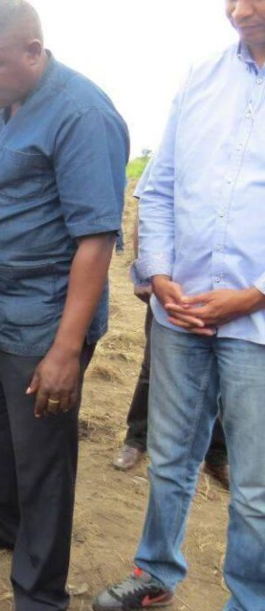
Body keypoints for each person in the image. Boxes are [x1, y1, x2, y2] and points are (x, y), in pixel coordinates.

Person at [0, 2, 129, 611]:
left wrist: (67, 350)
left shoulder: (82, 113)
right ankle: (6, 522)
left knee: (44, 458)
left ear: (33, 48)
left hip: (47, 320)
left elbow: (96, 239)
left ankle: (42, 598)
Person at [93, 2, 265, 611]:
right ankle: (156, 570)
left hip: (258, 326)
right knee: (171, 457)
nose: (239, 8)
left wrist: (252, 294)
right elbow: (158, 185)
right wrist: (159, 272)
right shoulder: (201, 78)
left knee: (253, 483)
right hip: (181, 311)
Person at [113, 161, 229, 488]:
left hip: (236, 292)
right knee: (154, 368)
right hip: (175, 286)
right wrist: (147, 270)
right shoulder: (180, 139)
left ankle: (217, 455)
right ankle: (137, 439)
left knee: (224, 375)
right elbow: (149, 209)